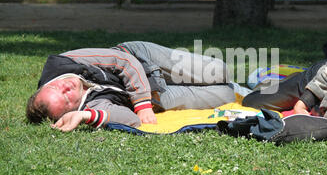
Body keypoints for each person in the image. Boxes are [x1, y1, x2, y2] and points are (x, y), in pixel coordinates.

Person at [26, 41, 236, 132]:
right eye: (66, 97)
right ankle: (249, 90)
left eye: (56, 87)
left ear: (46, 85)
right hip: (156, 96)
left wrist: (142, 104)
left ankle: (253, 85)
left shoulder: (64, 62)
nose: (65, 87)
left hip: (142, 59)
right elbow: (131, 119)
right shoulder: (87, 109)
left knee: (221, 71)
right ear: (71, 109)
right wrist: (88, 117)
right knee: (226, 94)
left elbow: (122, 61)